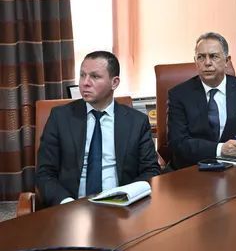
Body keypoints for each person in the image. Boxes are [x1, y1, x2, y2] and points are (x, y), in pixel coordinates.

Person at [36, 51, 161, 206]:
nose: (85, 83)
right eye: (82, 75)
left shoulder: (137, 122)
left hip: (122, 207)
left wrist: (126, 196)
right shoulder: (60, 117)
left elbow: (150, 170)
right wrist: (67, 203)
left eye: (94, 76)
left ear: (114, 83)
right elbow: (44, 173)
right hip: (71, 206)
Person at [167, 32, 236, 169]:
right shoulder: (179, 95)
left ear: (227, 60)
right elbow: (178, 143)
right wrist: (220, 149)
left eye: (214, 56)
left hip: (235, 169)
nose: (207, 63)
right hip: (192, 169)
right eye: (201, 57)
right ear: (195, 61)